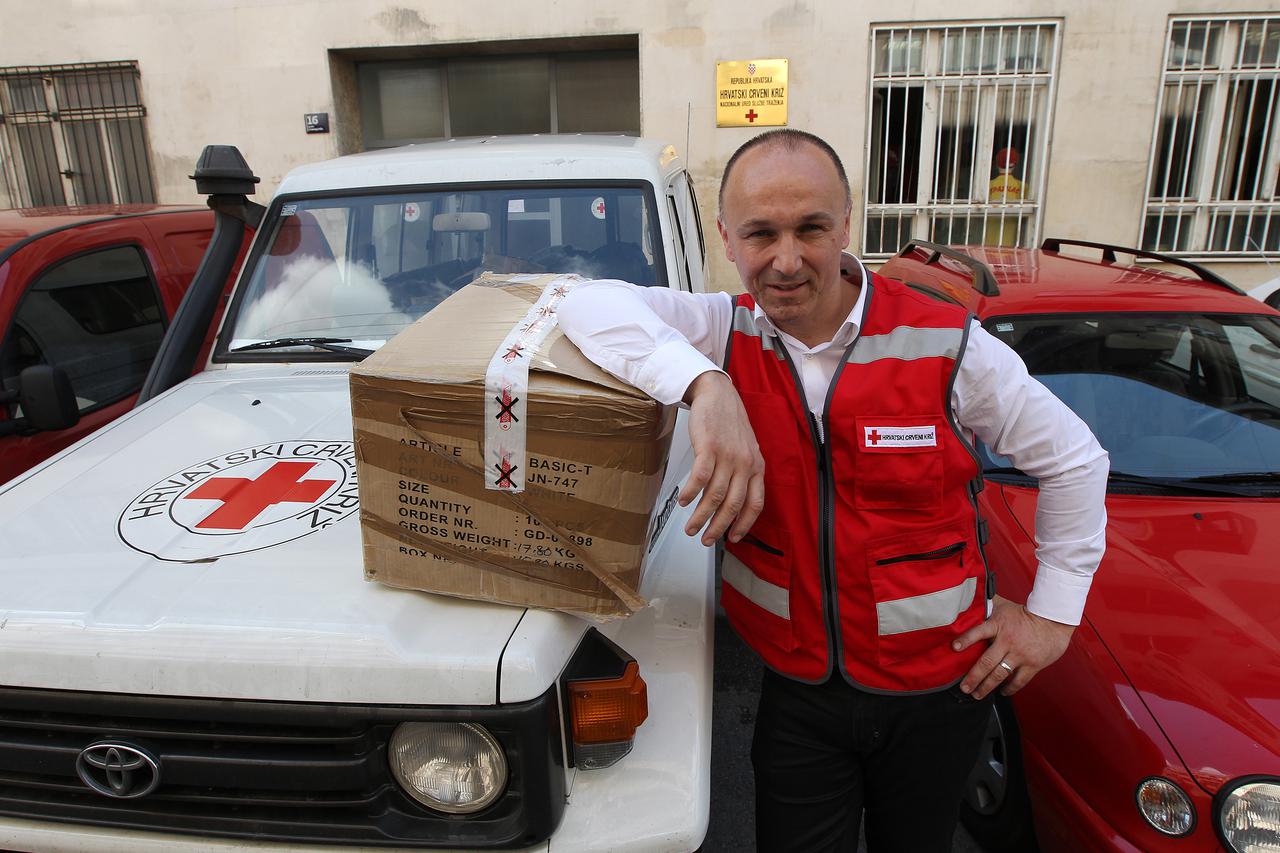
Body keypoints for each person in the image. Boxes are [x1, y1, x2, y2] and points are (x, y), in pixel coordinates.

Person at [556, 129, 1108, 852]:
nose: (786, 261)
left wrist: (1053, 620)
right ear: (727, 237)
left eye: (810, 228)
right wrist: (704, 383)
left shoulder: (945, 343)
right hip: (797, 695)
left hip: (940, 695)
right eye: (761, 234)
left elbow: (1075, 460)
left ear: (847, 224)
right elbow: (578, 302)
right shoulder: (721, 333)